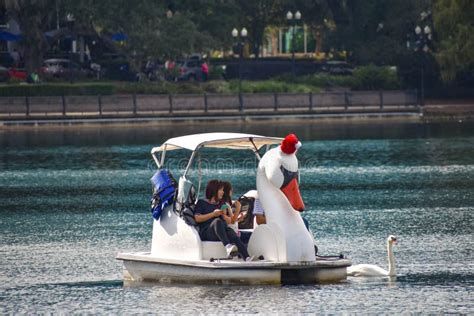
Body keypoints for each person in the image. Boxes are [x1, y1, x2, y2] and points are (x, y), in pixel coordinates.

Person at [194, 180, 254, 261]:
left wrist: (228, 214)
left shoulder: (221, 204)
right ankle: (227, 246)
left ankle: (247, 257)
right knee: (217, 221)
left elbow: (229, 221)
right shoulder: (201, 203)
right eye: (221, 190)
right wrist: (213, 214)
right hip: (207, 232)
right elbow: (197, 218)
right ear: (214, 190)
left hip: (221, 231)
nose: (223, 192)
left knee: (230, 232)